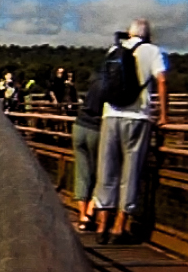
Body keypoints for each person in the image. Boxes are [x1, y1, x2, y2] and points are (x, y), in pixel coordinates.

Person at [95, 18, 170, 242]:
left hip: (111, 114)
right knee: (131, 171)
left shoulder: (114, 49)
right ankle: (119, 227)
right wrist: (163, 115)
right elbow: (162, 81)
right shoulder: (153, 51)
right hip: (138, 118)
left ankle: (101, 227)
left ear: (129, 33)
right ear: (147, 34)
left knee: (106, 170)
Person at [73, 72, 107, 233]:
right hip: (96, 128)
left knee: (82, 173)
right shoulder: (113, 84)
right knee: (101, 172)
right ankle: (91, 211)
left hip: (79, 125)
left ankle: (82, 216)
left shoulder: (95, 79)